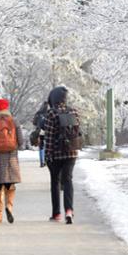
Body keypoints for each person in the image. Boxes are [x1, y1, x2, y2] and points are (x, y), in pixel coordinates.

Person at [44, 86, 82, 224]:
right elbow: (77, 131)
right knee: (68, 181)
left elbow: (49, 136)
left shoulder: (51, 113)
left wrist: (47, 155)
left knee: (55, 182)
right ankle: (69, 211)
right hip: (71, 152)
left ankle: (56, 214)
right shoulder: (74, 111)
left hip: (56, 153)